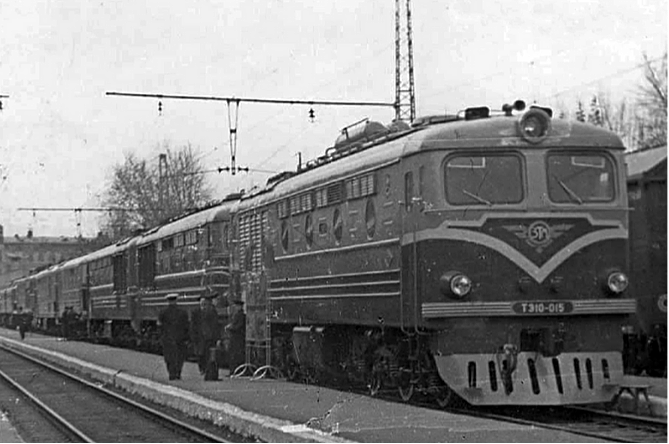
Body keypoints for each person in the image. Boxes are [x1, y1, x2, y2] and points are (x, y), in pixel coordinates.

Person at [158, 293, 190, 380]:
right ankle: (178, 373)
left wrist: (161, 337)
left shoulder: (163, 312)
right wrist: (187, 338)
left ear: (168, 301)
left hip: (167, 338)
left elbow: (160, 326)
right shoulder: (183, 312)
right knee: (180, 357)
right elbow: (186, 326)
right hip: (180, 338)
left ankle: (172, 374)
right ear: (176, 300)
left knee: (169, 357)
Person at [190, 295, 221, 380]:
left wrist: (217, 338)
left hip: (209, 338)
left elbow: (216, 325)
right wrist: (193, 337)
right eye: (202, 303)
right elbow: (193, 326)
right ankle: (202, 368)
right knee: (200, 355)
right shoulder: (195, 312)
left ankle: (207, 372)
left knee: (208, 355)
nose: (203, 304)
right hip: (199, 338)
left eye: (205, 303)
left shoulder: (212, 312)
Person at [224, 299, 246, 376]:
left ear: (240, 306)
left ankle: (234, 371)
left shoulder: (240, 315)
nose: (235, 307)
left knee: (235, 355)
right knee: (233, 355)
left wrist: (230, 327)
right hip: (235, 338)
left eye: (236, 306)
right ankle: (233, 371)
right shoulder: (237, 314)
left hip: (237, 338)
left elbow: (238, 326)